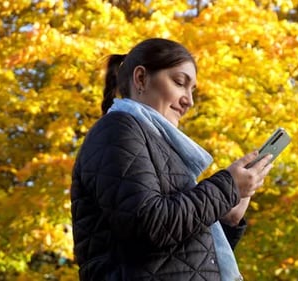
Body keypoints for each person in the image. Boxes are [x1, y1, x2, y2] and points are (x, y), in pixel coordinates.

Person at [71, 38, 273, 281]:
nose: (189, 100)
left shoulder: (163, 148)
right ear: (141, 79)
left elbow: (183, 261)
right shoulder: (117, 129)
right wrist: (226, 187)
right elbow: (148, 225)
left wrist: (228, 218)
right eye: (180, 83)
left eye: (192, 89)